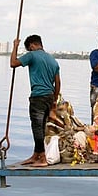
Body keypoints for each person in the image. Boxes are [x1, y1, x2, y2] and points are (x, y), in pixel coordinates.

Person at [10, 34, 61, 167]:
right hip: (49, 96)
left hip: (38, 96)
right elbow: (58, 83)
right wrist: (54, 100)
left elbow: (13, 63)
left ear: (32, 45)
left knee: (37, 127)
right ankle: (36, 154)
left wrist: (15, 46)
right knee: (41, 127)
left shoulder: (32, 55)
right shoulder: (53, 60)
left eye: (29, 49)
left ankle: (43, 157)